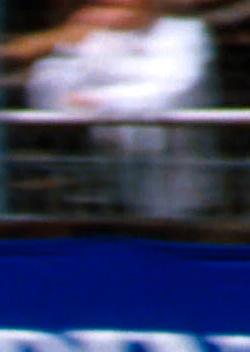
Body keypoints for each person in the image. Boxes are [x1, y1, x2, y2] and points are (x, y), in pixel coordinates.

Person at [25, 0, 213, 219]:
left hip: (176, 181)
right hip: (114, 180)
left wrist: (99, 99)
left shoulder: (183, 32)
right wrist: (72, 42)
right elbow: (49, 87)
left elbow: (173, 89)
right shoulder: (102, 38)